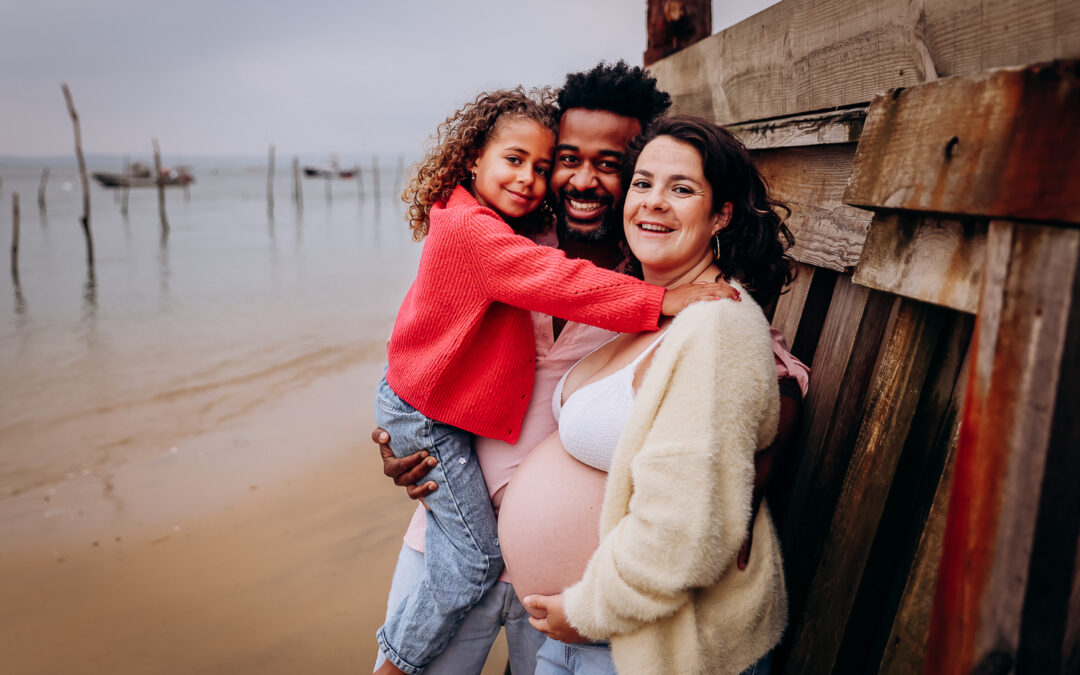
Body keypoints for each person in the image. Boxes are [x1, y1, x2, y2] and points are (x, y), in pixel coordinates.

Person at [373, 86, 736, 675]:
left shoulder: (658, 266)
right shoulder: (504, 237)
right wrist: (404, 438)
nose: (579, 180)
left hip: (562, 586)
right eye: (567, 159)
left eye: (611, 164)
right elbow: (426, 338)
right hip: (451, 541)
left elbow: (753, 359)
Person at [503, 115, 795, 674]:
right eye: (643, 183)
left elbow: (689, 527)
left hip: (642, 643)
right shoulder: (645, 309)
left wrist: (588, 610)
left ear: (721, 215)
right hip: (585, 634)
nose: (653, 202)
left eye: (681, 189)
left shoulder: (716, 329)